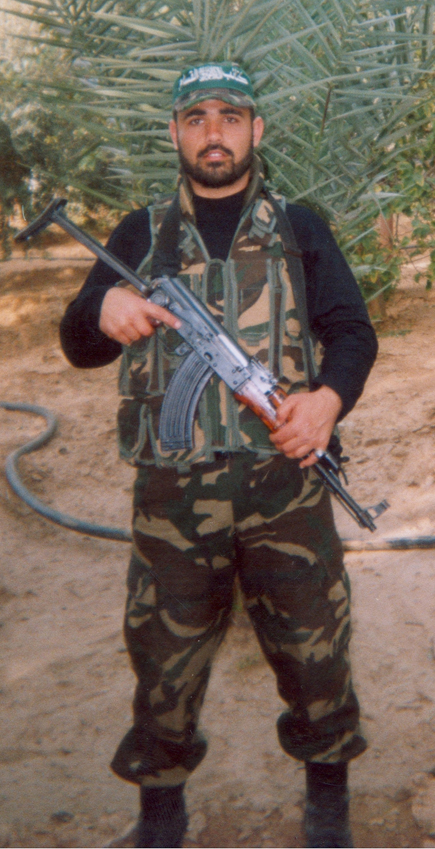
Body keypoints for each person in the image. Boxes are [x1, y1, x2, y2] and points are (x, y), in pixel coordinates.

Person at [60, 61, 378, 849]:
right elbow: (79, 341)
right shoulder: (141, 233)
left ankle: (328, 800)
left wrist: (325, 402)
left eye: (230, 118)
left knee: (316, 648)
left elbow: (352, 331)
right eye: (197, 119)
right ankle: (160, 812)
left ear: (255, 131)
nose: (214, 134)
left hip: (286, 486)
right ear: (175, 133)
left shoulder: (299, 226)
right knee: (163, 659)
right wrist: (104, 305)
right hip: (172, 498)